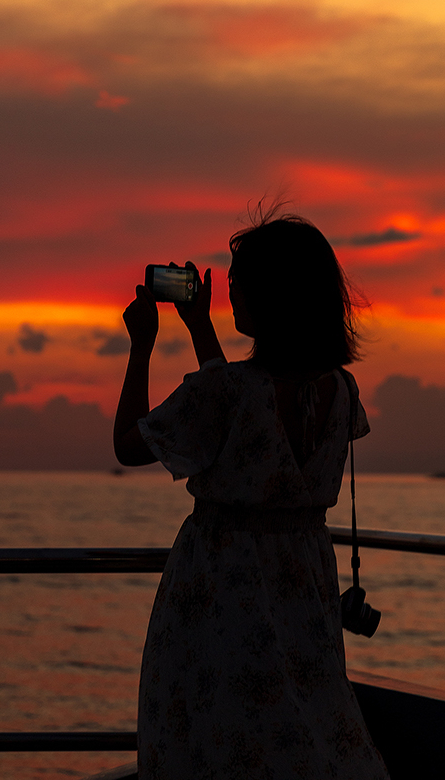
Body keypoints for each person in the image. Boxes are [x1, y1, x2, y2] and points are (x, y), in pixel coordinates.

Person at [114, 211, 389, 780]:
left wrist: (141, 346)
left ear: (272, 294)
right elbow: (242, 412)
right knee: (295, 729)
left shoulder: (226, 391)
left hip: (222, 596)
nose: (231, 288)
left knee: (215, 733)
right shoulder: (339, 389)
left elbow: (129, 443)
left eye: (239, 279)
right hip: (301, 590)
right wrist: (199, 330)